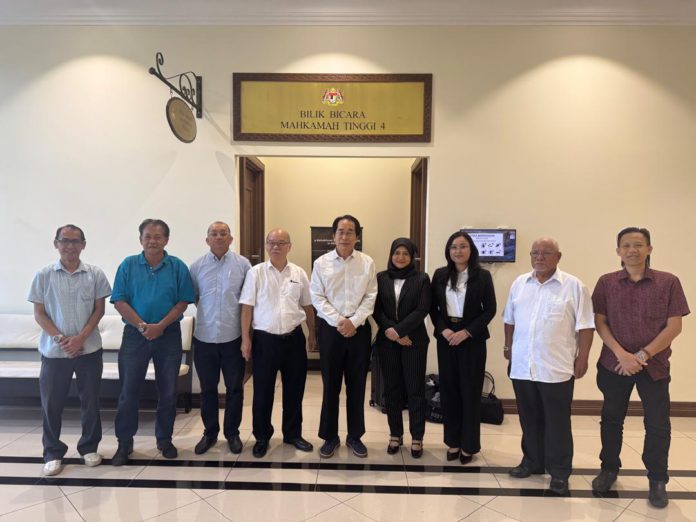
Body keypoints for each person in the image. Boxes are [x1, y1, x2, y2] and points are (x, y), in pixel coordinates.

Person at [591, 227, 689, 508]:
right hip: (614, 364)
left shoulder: (668, 282)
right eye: (626, 245)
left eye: (637, 245)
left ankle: (657, 480)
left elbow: (674, 326)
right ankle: (609, 469)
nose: (631, 250)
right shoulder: (606, 282)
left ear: (649, 249)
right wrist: (622, 355)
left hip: (654, 365)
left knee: (657, 424)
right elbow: (600, 321)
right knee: (611, 419)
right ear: (618, 251)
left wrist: (642, 355)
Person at [503, 236, 594, 495]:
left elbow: (586, 326)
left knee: (557, 422)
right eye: (535, 253)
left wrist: (583, 357)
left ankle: (560, 471)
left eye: (546, 253)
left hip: (556, 368)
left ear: (558, 257)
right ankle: (532, 461)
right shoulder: (520, 283)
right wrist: (508, 348)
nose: (539, 257)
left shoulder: (574, 286)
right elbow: (509, 319)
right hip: (523, 365)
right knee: (529, 418)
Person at [28, 224, 112, 476]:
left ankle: (89, 447)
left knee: (90, 401)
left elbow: (99, 310)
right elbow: (39, 313)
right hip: (54, 353)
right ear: (56, 244)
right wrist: (62, 339)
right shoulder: (44, 275)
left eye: (75, 241)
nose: (70, 246)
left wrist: (80, 339)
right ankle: (53, 452)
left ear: (83, 245)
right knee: (51, 404)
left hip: (89, 350)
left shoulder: (95, 274)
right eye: (64, 241)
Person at [110, 219, 195, 465]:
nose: (152, 241)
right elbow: (119, 301)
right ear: (140, 239)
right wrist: (142, 326)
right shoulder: (128, 265)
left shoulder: (177, 266)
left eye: (158, 237)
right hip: (134, 336)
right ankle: (124, 443)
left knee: (168, 391)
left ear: (166, 240)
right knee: (128, 392)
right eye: (147, 236)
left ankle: (164, 440)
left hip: (168, 335)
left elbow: (182, 302)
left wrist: (160, 326)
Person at [239, 228, 316, 458]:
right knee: (262, 392)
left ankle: (292, 434)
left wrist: (312, 334)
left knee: (295, 390)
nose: (276, 246)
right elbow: (247, 308)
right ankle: (262, 437)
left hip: (294, 339)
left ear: (289, 246)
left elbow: (308, 307)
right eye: (271, 242)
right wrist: (245, 339)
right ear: (266, 246)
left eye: (281, 242)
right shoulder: (256, 273)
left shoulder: (299, 273)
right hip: (265, 341)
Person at [310, 214, 377, 458]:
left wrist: (354, 321)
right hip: (332, 330)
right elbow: (317, 296)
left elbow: (371, 296)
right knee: (331, 385)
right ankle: (330, 437)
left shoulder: (367, 262)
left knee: (357, 385)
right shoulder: (321, 263)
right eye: (341, 231)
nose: (345, 236)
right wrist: (339, 320)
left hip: (359, 330)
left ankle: (355, 436)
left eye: (350, 232)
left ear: (357, 237)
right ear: (333, 235)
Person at [430, 231, 496, 464]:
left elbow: (490, 310)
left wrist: (467, 332)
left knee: (470, 392)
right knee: (449, 392)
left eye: (463, 246)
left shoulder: (483, 276)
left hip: (472, 340)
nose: (458, 251)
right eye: (453, 247)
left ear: (471, 250)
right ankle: (453, 442)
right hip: (447, 338)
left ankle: (469, 445)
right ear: (448, 251)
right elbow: (432, 308)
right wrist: (444, 330)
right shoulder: (439, 275)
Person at [189, 221, 251, 455]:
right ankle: (210, 433)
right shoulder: (196, 267)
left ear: (231, 239)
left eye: (223, 233)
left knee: (235, 388)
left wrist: (246, 337)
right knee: (208, 389)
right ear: (207, 240)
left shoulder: (243, 265)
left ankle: (232, 433)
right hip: (204, 337)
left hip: (233, 337)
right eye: (214, 234)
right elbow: (195, 297)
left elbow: (247, 301)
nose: (218, 237)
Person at [373, 238, 431, 458]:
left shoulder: (422, 279)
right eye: (397, 253)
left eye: (406, 253)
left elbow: (423, 309)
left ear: (412, 257)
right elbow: (376, 309)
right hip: (388, 342)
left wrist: (399, 331)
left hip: (414, 341)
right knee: (392, 389)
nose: (400, 257)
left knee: (415, 390)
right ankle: (395, 434)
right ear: (391, 255)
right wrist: (393, 333)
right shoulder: (381, 278)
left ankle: (417, 437)